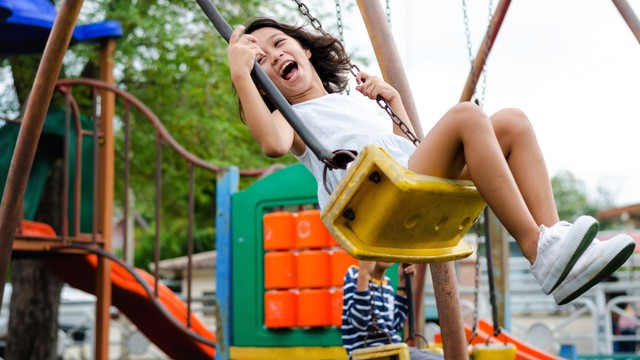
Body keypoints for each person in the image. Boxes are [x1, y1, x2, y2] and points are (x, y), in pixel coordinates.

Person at [226, 17, 635, 305]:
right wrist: (241, 73)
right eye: (260, 60)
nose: (274, 55)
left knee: (513, 122)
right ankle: (537, 250)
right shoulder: (289, 119)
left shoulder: (352, 103)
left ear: (303, 49)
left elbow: (407, 149)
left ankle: (555, 241)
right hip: (377, 201)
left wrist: (395, 102)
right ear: (262, 84)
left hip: (402, 180)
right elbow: (271, 145)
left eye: (279, 43)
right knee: (466, 115)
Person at [342, 261, 442, 359]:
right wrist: (364, 275)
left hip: (393, 349)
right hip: (372, 353)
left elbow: (395, 326)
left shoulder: (387, 283)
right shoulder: (355, 275)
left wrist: (402, 283)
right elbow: (359, 323)